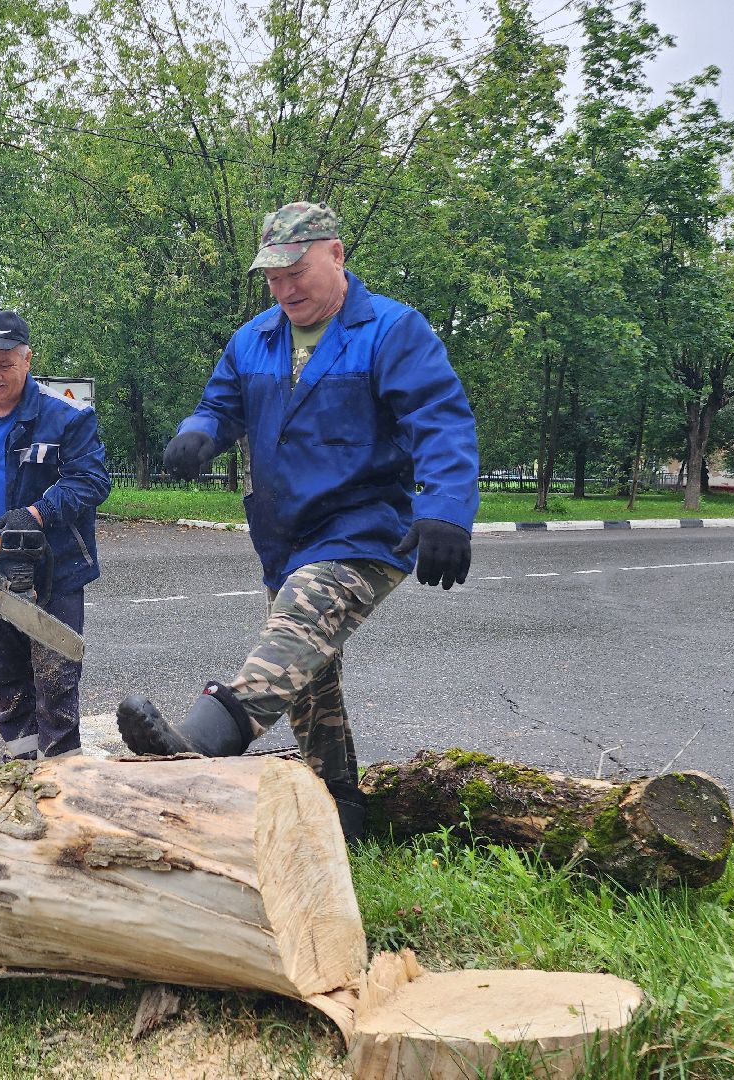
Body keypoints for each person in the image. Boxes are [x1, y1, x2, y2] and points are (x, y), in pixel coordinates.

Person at [117, 202, 479, 841]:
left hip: (364, 530)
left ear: (336, 255)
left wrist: (446, 508)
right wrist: (197, 434)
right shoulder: (254, 339)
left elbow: (439, 417)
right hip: (285, 534)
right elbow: (218, 405)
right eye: (272, 277)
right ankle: (341, 807)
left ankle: (205, 736)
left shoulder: (392, 330)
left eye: (297, 272)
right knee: (311, 676)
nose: (285, 289)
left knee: (298, 630)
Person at [0, 309, 111, 761]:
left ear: (27, 359)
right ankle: (20, 767)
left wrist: (35, 514)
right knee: (8, 676)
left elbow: (91, 481)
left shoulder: (67, 418)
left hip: (54, 569)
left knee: (55, 677)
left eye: (4, 365)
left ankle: (61, 774)